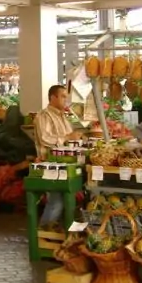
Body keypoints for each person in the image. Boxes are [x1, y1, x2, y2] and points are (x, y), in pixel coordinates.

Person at [33, 85, 84, 227]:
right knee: (56, 200)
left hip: (65, 164)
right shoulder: (44, 115)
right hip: (50, 165)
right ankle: (45, 233)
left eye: (66, 97)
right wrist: (68, 137)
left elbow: (68, 139)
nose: (65, 100)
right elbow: (45, 138)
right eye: (62, 96)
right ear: (52, 97)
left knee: (64, 199)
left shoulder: (64, 117)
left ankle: (58, 232)